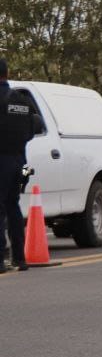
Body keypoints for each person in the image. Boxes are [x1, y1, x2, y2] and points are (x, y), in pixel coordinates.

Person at [0, 59, 44, 273]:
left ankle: (0, 260)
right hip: (19, 160)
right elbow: (33, 129)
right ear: (7, 73)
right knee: (13, 207)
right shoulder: (23, 101)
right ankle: (19, 258)